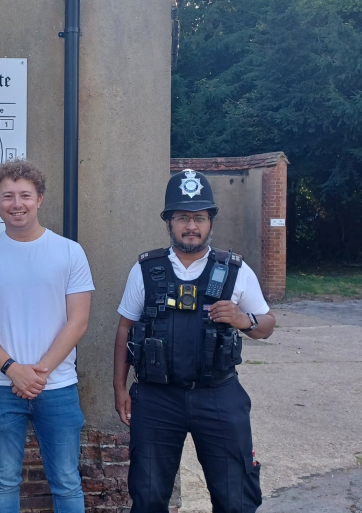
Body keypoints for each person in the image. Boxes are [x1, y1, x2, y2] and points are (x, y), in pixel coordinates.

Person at [113, 169, 275, 513]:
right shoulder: (145, 269)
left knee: (235, 498)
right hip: (157, 400)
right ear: (168, 223)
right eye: (182, 217)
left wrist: (242, 319)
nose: (191, 226)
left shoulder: (235, 270)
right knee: (148, 497)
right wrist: (120, 389)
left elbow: (267, 325)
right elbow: (125, 328)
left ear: (210, 222)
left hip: (218, 395)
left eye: (198, 217)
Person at [0, 160, 94, 513]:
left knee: (65, 479)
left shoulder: (69, 252)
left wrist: (39, 372)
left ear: (39, 199)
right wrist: (12, 369)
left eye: (25, 195)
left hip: (59, 386)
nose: (16, 204)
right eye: (7, 196)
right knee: (4, 479)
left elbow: (77, 321)